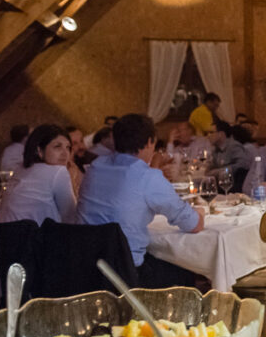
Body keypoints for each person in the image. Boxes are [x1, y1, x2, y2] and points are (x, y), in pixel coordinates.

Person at [77, 114, 204, 283]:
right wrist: (200, 211)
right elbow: (193, 224)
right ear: (150, 142)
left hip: (85, 267)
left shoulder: (96, 166)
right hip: (125, 275)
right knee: (187, 271)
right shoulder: (148, 177)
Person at [0, 124, 77, 225]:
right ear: (39, 150)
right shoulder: (58, 172)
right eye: (57, 147)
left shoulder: (21, 168)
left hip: (6, 236)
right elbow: (71, 217)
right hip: (34, 238)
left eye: (68, 147)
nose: (65, 153)